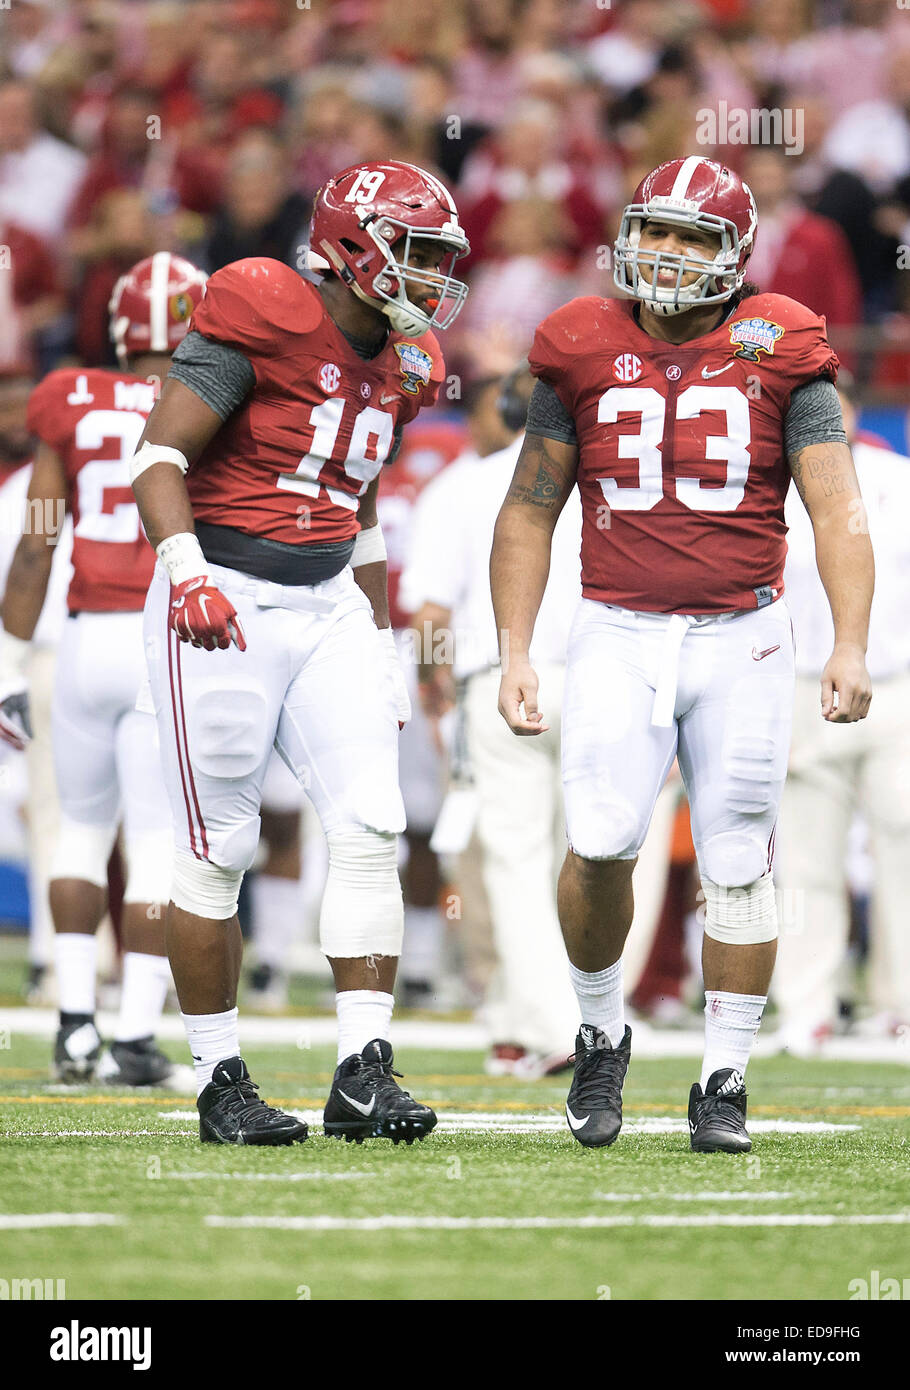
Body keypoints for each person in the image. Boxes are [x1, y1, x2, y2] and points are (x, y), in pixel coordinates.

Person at [490, 157, 873, 1153]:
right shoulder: (578, 340)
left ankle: (724, 1076)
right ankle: (598, 1026)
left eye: (691, 237)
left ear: (732, 254)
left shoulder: (779, 340)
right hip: (615, 624)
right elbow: (529, 509)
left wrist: (847, 643)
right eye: (653, 230)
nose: (664, 252)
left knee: (740, 857)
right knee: (603, 840)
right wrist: (513, 649)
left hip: (741, 633)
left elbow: (836, 508)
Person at [129, 160, 470, 1146]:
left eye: (442, 256)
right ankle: (220, 1075)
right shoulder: (263, 302)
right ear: (353, 244)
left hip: (327, 603)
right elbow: (159, 457)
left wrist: (378, 632)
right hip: (221, 594)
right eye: (416, 250)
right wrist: (185, 569)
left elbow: (355, 505)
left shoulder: (409, 363)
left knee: (369, 827)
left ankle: (362, 1070)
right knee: (221, 847)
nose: (432, 275)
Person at [0, 252, 207, 1086]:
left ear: (122, 328)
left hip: (82, 641)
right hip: (162, 642)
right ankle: (133, 1035)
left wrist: (9, 661)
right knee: (157, 844)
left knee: (80, 833)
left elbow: (39, 539)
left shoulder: (69, 397)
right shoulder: (210, 399)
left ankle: (75, 1027)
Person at [403, 363, 581, 1074]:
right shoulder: (602, 476)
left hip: (500, 680)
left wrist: (430, 681)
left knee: (512, 859)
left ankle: (554, 1024)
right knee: (590, 859)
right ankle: (536, 1014)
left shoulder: (463, 484)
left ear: (504, 411)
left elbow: (431, 614)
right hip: (601, 678)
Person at [775, 377, 910, 1048]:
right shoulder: (774, 480)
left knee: (905, 849)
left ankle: (901, 1004)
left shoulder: (898, 478)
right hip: (804, 688)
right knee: (803, 858)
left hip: (898, 683)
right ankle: (808, 1007)